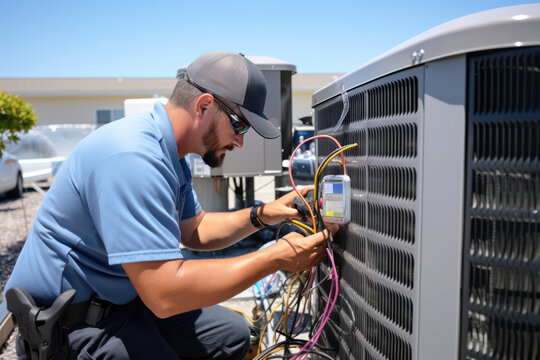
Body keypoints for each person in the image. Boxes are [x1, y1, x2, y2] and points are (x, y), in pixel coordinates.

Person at [5, 52, 335, 359]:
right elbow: (165, 294)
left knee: (233, 334)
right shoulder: (132, 158)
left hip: (123, 303)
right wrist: (274, 258)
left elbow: (195, 230)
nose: (240, 140)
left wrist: (263, 215)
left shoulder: (169, 153)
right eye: (239, 124)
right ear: (204, 106)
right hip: (71, 326)